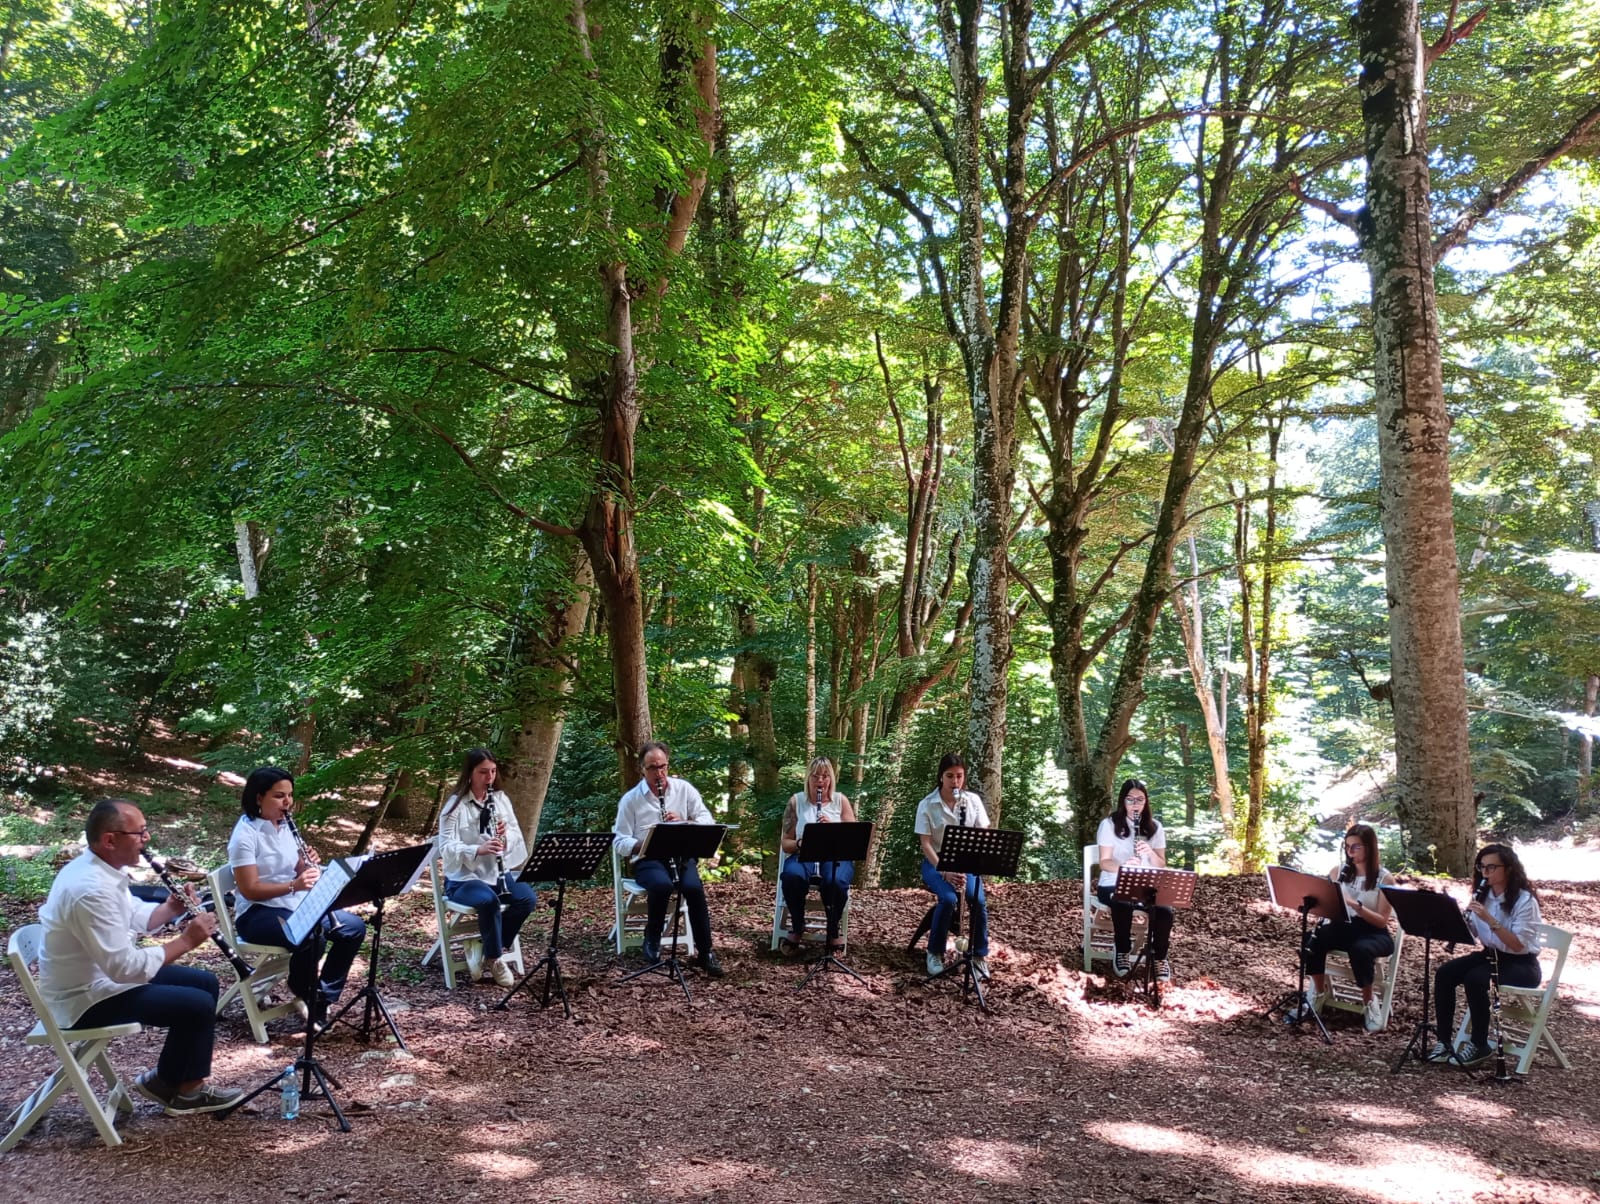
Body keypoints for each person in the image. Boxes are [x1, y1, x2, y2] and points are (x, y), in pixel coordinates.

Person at [37, 799, 242, 1115]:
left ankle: (171, 1082)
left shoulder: (102, 870)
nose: (147, 839)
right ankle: (186, 1091)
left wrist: (169, 909)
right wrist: (187, 940)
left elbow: (132, 915)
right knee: (197, 1005)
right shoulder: (89, 889)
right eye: (140, 833)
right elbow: (123, 968)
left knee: (205, 982)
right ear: (110, 840)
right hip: (83, 998)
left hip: (99, 978)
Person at [228, 767, 366, 1028]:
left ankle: (322, 997)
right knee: (313, 934)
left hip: (291, 904)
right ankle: (305, 988)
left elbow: (295, 870)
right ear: (259, 798)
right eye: (279, 796)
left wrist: (305, 865)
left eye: (290, 795)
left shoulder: (285, 826)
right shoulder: (244, 836)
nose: (287, 802)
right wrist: (295, 885)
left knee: (353, 928)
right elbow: (249, 889)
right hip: (257, 913)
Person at [611, 741, 724, 977]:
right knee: (661, 886)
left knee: (693, 888)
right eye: (652, 768)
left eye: (662, 767)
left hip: (681, 855)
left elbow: (708, 820)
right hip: (648, 859)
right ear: (642, 769)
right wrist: (644, 842)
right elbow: (619, 841)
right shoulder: (631, 800)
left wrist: (684, 822)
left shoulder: (684, 789)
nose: (659, 773)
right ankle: (652, 938)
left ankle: (706, 952)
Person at [1429, 843, 1543, 1067]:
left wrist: (1490, 919)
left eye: (1492, 868)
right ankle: (1443, 1041)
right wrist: (1457, 923)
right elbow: (1473, 933)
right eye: (1482, 867)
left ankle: (1480, 1043)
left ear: (1508, 869)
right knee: (1445, 973)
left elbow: (1518, 944)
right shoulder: (1483, 894)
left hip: (1521, 964)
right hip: (1489, 955)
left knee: (1475, 978)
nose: (1485, 873)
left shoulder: (1524, 901)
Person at [437, 748, 537, 987]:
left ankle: (488, 946)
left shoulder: (500, 799)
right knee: (489, 901)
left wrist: (504, 838)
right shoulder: (455, 806)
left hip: (495, 874)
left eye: (493, 771)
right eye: (483, 772)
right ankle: (495, 959)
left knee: (527, 899)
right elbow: (445, 847)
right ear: (470, 773)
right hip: (463, 878)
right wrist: (476, 850)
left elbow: (515, 835)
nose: (489, 777)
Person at [1290, 824, 1396, 1032]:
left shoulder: (1384, 878)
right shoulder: (1338, 872)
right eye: (1347, 846)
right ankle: (1318, 993)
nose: (1350, 852)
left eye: (1355, 847)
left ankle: (1369, 1002)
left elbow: (1382, 921)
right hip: (1343, 926)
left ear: (1369, 848)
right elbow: (1325, 903)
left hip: (1372, 931)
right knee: (1312, 939)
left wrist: (1358, 907)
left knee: (1361, 950)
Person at [914, 752, 991, 980]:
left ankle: (978, 955)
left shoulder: (972, 801)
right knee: (948, 899)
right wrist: (944, 870)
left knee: (977, 899)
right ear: (941, 777)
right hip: (936, 862)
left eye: (959, 776)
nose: (955, 781)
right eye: (950, 776)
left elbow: (983, 833)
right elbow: (925, 844)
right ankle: (934, 952)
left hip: (966, 861)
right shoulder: (927, 804)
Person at [1096, 778, 1174, 981]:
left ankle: (1160, 957)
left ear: (1146, 802)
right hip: (1113, 881)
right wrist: (1124, 867)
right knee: (1122, 901)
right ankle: (1121, 950)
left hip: (1147, 882)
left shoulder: (1155, 827)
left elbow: (1161, 864)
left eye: (1140, 800)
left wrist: (1150, 853)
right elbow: (1104, 863)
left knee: (1165, 909)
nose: (1135, 805)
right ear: (1123, 801)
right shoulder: (1109, 825)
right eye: (1130, 800)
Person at [778, 756, 857, 953]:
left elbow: (854, 839)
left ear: (831, 779)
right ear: (808, 779)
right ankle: (797, 926)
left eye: (825, 776)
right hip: (804, 853)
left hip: (835, 855)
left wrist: (832, 829)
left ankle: (832, 930)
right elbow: (785, 843)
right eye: (815, 777)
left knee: (836, 882)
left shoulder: (841, 801)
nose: (820, 781)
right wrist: (800, 842)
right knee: (791, 876)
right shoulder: (797, 802)